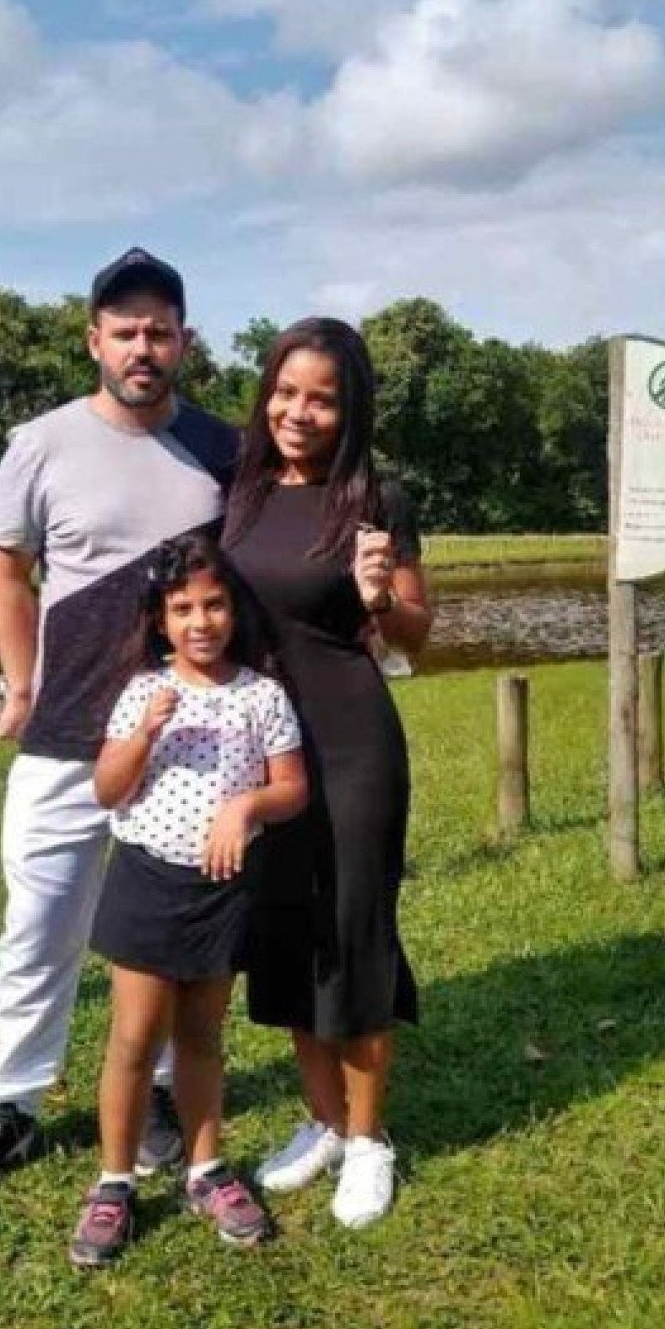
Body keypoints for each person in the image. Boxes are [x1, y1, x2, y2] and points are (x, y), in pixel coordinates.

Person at [0, 248, 239, 1195]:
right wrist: (19, 680)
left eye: (160, 331)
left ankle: (158, 1090)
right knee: (40, 921)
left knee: (168, 929)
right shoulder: (41, 443)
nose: (143, 347)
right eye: (125, 331)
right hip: (67, 730)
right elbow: (1, 562)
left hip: (188, 743)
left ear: (184, 341)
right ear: (93, 340)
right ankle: (11, 1099)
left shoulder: (225, 450)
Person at [223, 317, 433, 1230]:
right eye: (285, 391)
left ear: (351, 410)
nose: (297, 412)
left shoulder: (377, 497)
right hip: (259, 749)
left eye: (322, 398)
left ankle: (370, 1136)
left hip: (350, 742)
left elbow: (421, 634)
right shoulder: (241, 490)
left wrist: (381, 600)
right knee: (284, 932)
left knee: (352, 931)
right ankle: (323, 1122)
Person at [69, 533, 307, 1267]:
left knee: (202, 1034)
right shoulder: (143, 692)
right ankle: (114, 1183)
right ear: (160, 619)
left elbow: (293, 789)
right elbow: (108, 789)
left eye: (214, 605)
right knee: (135, 1036)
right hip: (147, 881)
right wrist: (145, 733)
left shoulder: (262, 694)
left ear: (234, 609)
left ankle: (207, 1167)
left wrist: (246, 806)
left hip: (223, 888)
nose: (201, 622)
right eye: (183, 609)